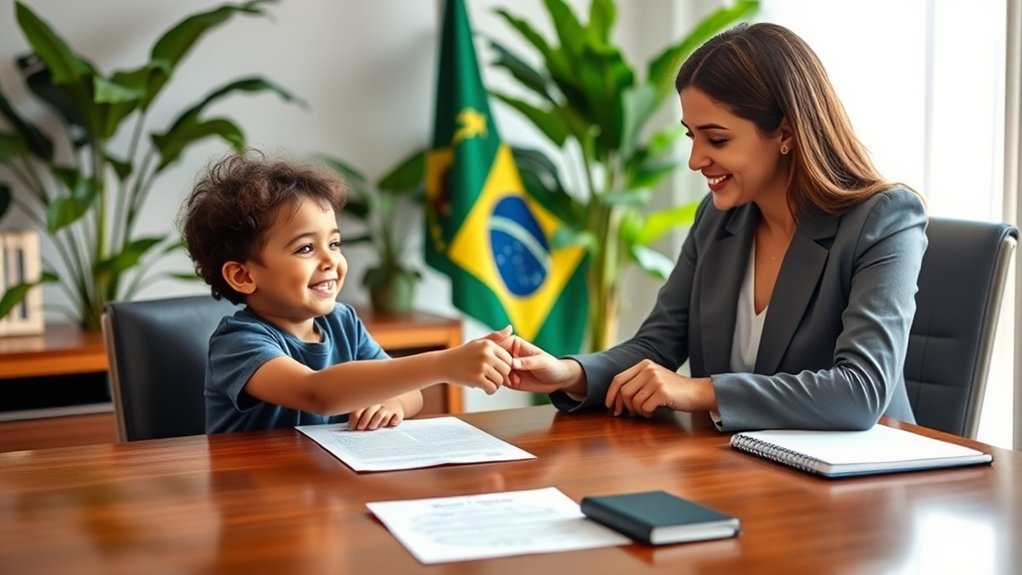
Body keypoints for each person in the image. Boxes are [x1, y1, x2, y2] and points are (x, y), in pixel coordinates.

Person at [503, 22, 927, 431]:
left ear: (785, 131)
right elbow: (657, 345)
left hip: (867, 481)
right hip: (747, 468)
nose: (695, 159)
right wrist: (567, 372)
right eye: (691, 136)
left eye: (717, 139)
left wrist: (699, 392)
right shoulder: (718, 217)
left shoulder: (884, 219)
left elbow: (860, 391)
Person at [180, 152, 512, 433]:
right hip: (257, 498)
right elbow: (316, 392)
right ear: (242, 275)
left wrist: (391, 402)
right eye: (306, 248)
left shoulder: (343, 321)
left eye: (334, 243)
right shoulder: (237, 344)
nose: (331, 260)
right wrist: (443, 364)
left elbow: (412, 395)